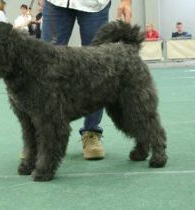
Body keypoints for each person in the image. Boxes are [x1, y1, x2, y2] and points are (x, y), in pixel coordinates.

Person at [41, 0, 132, 160]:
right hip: (55, 3)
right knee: (44, 69)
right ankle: (41, 139)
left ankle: (92, 132)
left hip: (95, 4)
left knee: (97, 69)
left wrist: (126, 1)